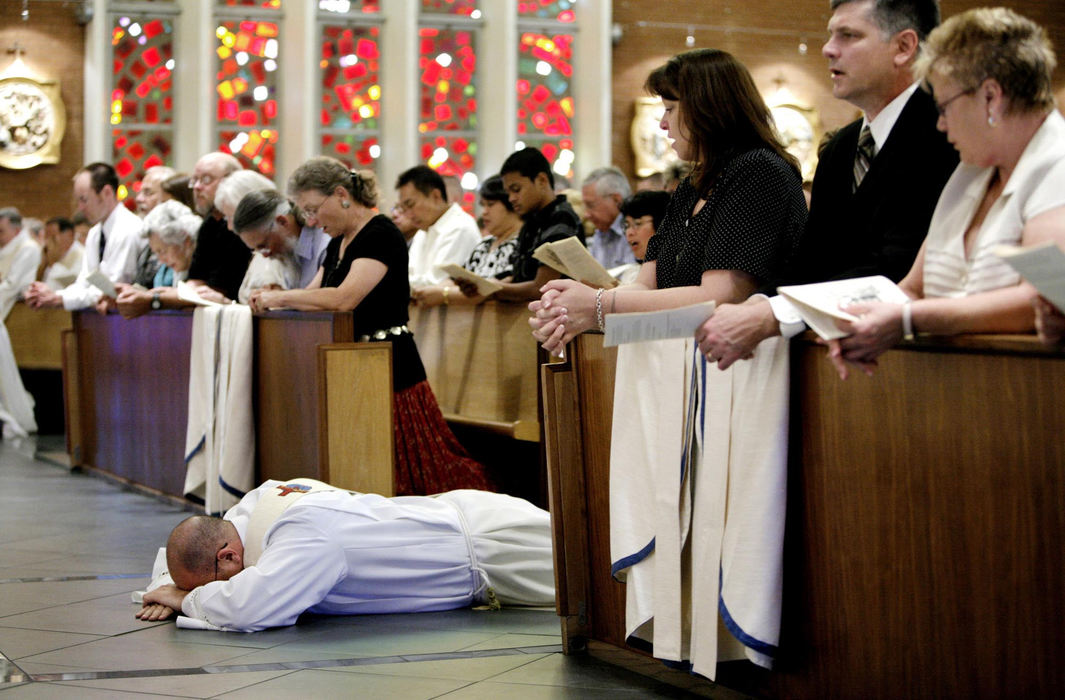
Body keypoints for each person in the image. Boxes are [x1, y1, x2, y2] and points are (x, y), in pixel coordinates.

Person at [696, 0, 958, 369]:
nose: (828, 48)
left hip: (920, 361)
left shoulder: (947, 130)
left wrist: (774, 315)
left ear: (904, 47)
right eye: (831, 34)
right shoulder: (841, 147)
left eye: (849, 35)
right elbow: (810, 258)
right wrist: (757, 305)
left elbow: (900, 262)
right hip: (833, 358)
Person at [829, 7, 1065, 376]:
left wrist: (907, 319)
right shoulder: (969, 172)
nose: (940, 123)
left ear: (991, 97)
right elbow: (911, 287)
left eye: (944, 106)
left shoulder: (1058, 162)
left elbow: (1034, 297)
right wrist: (851, 320)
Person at [531, 49, 808, 353]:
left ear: (708, 108)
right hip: (678, 357)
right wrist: (574, 312)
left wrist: (598, 304)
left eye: (670, 109)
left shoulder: (757, 170)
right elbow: (647, 285)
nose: (663, 124)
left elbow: (721, 296)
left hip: (738, 360)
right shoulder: (692, 186)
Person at [248, 157, 492, 496]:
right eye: (305, 213)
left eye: (313, 209)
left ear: (341, 195)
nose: (312, 221)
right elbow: (312, 295)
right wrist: (280, 296)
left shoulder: (380, 234)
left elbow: (344, 299)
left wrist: (281, 299)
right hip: (352, 367)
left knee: (417, 469)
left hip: (389, 367)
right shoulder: (337, 242)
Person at [136, 479, 554, 632]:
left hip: (496, 549)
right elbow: (184, 548)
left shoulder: (305, 537)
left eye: (213, 581)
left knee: (607, 580)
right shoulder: (264, 499)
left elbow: (250, 607)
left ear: (228, 559)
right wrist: (164, 586)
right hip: (469, 515)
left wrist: (182, 600)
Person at [23, 162, 144, 312]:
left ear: (106, 193)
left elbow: (113, 289)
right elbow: (85, 282)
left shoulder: (128, 228)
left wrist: (59, 298)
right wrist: (53, 294)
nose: (80, 207)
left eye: (84, 199)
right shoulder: (95, 233)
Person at [412, 175, 523, 307]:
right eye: (483, 205)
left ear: (511, 204)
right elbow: (456, 279)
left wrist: (443, 294)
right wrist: (428, 291)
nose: (484, 213)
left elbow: (492, 289)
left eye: (490, 205)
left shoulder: (522, 244)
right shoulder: (484, 245)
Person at [496, 147, 584, 303]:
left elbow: (542, 288)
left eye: (516, 190)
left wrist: (494, 290)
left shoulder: (561, 218)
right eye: (508, 192)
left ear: (542, 181)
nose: (511, 198)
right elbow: (519, 278)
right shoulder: (531, 221)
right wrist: (484, 286)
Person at [397, 165, 481, 290]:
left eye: (411, 205)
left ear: (436, 196)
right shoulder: (423, 231)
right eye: (404, 209)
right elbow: (410, 274)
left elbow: (437, 284)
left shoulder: (460, 227)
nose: (408, 215)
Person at [114, 201, 202, 319]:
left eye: (163, 251)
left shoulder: (206, 266)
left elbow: (196, 297)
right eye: (156, 253)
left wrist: (152, 298)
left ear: (185, 241)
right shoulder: (177, 265)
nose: (162, 260)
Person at [231, 188, 330, 290]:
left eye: (264, 245)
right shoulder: (289, 252)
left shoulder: (325, 247)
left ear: (282, 222)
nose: (265, 255)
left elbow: (327, 301)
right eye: (257, 249)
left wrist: (281, 299)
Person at [184, 152, 251, 301]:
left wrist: (157, 298)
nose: (196, 187)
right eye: (194, 180)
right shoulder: (210, 224)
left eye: (206, 180)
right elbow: (196, 278)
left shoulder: (244, 223)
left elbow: (219, 289)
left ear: (232, 180)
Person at [132, 165, 178, 288]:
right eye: (140, 192)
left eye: (148, 193)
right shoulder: (147, 233)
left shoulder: (179, 237)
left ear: (168, 197)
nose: (139, 199)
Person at [612, 189, 671, 285]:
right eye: (627, 226)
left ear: (662, 224)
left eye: (637, 223)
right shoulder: (631, 273)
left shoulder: (677, 274)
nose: (629, 232)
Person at [581, 166, 635, 269]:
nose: (586, 214)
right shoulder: (600, 232)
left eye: (591, 205)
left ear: (616, 200)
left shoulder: (636, 231)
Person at [0, 207, 42, 319]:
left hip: (20, 310)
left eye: (1, 231)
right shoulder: (4, 249)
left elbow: (12, 285)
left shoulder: (28, 248)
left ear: (17, 230)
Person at [36, 216, 84, 290]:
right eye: (46, 237)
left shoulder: (82, 255)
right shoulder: (47, 252)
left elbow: (73, 282)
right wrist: (44, 264)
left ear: (69, 234)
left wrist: (53, 262)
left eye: (52, 237)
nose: (48, 242)